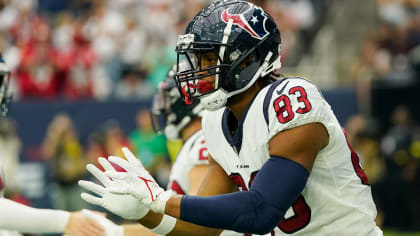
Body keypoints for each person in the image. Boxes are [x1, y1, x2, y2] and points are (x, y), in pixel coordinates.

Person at [80, 1, 383, 235]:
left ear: (248, 59)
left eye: (210, 59)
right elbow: (204, 229)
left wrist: (161, 199)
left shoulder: (290, 98)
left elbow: (261, 211)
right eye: (198, 60)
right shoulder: (215, 121)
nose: (199, 70)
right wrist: (146, 212)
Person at [80, 66, 255, 235]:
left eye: (169, 99)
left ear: (187, 101)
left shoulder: (202, 140)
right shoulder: (199, 140)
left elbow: (197, 223)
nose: (164, 108)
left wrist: (118, 231)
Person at [0, 56, 120, 236]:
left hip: (73, 184)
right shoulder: (55, 140)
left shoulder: (75, 140)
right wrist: (66, 221)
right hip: (61, 185)